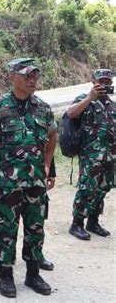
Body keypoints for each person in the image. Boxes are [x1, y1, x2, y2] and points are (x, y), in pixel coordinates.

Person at [0, 58, 57, 298]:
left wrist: (47, 165)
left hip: (35, 182)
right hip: (7, 182)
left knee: (36, 228)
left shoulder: (43, 108)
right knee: (7, 228)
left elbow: (52, 136)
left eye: (34, 75)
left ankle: (33, 273)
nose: (32, 79)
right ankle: (5, 274)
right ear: (12, 77)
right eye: (27, 75)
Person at [67, 69, 114, 240]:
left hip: (110, 156)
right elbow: (70, 114)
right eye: (100, 81)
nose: (104, 85)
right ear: (93, 81)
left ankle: (93, 221)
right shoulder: (84, 99)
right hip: (91, 155)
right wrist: (89, 98)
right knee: (87, 188)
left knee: (102, 188)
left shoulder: (112, 105)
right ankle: (77, 223)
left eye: (107, 82)